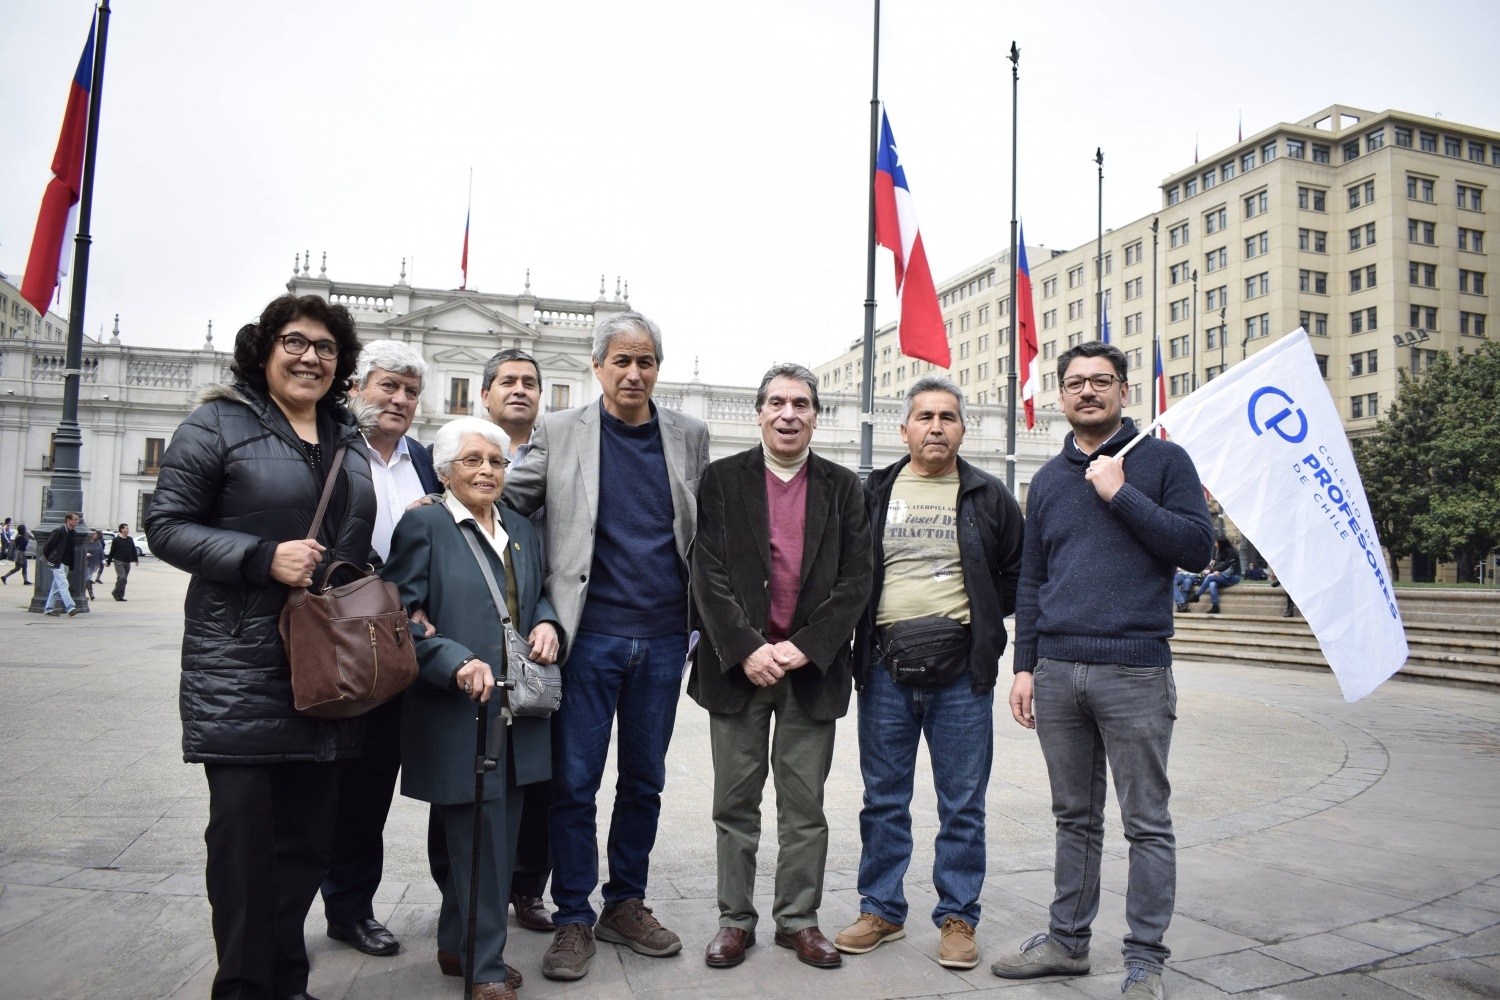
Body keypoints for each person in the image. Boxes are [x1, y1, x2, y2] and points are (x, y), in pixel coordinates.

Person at [146, 294, 377, 1000]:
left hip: (329, 669)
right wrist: (259, 556)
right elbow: (165, 525)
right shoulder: (217, 423)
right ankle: (243, 984)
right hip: (241, 667)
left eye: (326, 348)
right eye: (295, 342)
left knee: (306, 843)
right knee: (244, 847)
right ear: (264, 348)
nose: (311, 357)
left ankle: (288, 978)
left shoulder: (349, 437)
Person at [1000, 341, 1213, 1000]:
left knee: (1146, 820)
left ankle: (1145, 959)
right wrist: (1025, 665)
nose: (1086, 391)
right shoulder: (1050, 480)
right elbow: (1033, 579)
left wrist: (1121, 494)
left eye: (1100, 381)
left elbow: (1197, 549)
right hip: (1059, 671)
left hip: (1135, 670)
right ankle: (1067, 944)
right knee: (1075, 818)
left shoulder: (1164, 461)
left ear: (1124, 391)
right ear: (1060, 396)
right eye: (1074, 383)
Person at [503, 311, 710, 981]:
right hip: (585, 637)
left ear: (657, 367)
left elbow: (704, 529)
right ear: (597, 367)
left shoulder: (689, 435)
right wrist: (446, 501)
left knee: (644, 781)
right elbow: (512, 500)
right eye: (620, 360)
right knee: (575, 784)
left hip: (662, 636)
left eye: (645, 360)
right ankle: (571, 917)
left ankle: (625, 903)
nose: (634, 372)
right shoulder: (561, 431)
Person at [834, 377, 1024, 971]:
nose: (936, 426)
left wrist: (979, 630)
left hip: (963, 674)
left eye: (947, 416)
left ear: (962, 429)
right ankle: (882, 910)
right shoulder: (874, 492)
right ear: (905, 428)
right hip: (886, 669)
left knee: (962, 802)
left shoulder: (989, 496)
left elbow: (1016, 577)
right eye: (924, 417)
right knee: (883, 799)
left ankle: (958, 916)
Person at [689, 363, 871, 971]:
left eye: (801, 403)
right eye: (776, 403)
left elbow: (856, 580)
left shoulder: (845, 487)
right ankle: (734, 921)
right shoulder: (720, 480)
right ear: (758, 412)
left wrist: (807, 645)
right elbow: (706, 573)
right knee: (734, 804)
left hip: (809, 672)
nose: (788, 413)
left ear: (815, 415)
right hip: (739, 669)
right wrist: (746, 646)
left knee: (805, 808)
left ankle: (798, 921)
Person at [383, 416, 561, 1000]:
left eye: (496, 461)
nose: (487, 470)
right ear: (445, 471)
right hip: (459, 710)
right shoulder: (426, 525)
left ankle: (455, 945)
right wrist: (454, 659)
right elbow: (401, 617)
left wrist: (547, 622)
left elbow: (536, 596)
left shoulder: (519, 528)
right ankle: (485, 968)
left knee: (494, 838)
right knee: (478, 839)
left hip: (519, 710)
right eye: (473, 461)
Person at [315, 339, 440, 960]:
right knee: (325, 779)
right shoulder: (333, 450)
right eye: (387, 385)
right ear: (357, 388)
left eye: (410, 391)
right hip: (341, 629)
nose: (399, 399)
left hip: (400, 638)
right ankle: (309, 902)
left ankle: (351, 908)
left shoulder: (422, 457)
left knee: (371, 783)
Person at [479, 346, 555, 933]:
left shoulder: (562, 447)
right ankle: (464, 885)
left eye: (530, 381)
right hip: (477, 629)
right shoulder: (458, 452)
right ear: (485, 393)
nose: (520, 390)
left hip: (545, 625)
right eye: (507, 381)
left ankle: (529, 887)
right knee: (470, 762)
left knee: (540, 766)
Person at [40, 512, 81, 617]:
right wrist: (50, 559)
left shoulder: (72, 533)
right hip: (57, 562)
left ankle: (49, 608)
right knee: (63, 584)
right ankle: (70, 607)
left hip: (65, 562)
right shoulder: (59, 531)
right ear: (68, 520)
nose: (77, 521)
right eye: (75, 519)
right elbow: (47, 546)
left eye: (78, 519)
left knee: (56, 586)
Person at [1190, 537, 1241, 614]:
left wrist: (1211, 571)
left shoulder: (1232, 553)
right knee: (1212, 584)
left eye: (1216, 543)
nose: (1215, 544)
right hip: (1223, 575)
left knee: (1210, 577)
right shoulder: (1220, 552)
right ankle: (1215, 607)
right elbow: (1219, 565)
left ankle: (1196, 595)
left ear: (1221, 544)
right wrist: (1216, 571)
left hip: (1234, 577)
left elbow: (1226, 565)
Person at [106, 524, 140, 601]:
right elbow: (112, 551)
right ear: (121, 529)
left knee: (124, 579)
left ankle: (120, 595)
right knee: (122, 577)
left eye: (128, 528)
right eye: (126, 528)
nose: (128, 529)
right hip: (118, 560)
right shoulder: (116, 540)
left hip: (127, 561)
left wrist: (136, 559)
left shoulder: (130, 539)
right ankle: (116, 592)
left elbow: (133, 550)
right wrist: (108, 561)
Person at [84, 529, 105, 598]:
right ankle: (90, 592)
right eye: (94, 534)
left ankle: (83, 593)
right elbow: (82, 550)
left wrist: (103, 560)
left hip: (94, 562)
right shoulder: (85, 542)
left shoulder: (98, 543)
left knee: (86, 577)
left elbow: (101, 552)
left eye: (96, 534)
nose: (96, 535)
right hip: (85, 562)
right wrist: (85, 554)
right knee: (88, 577)